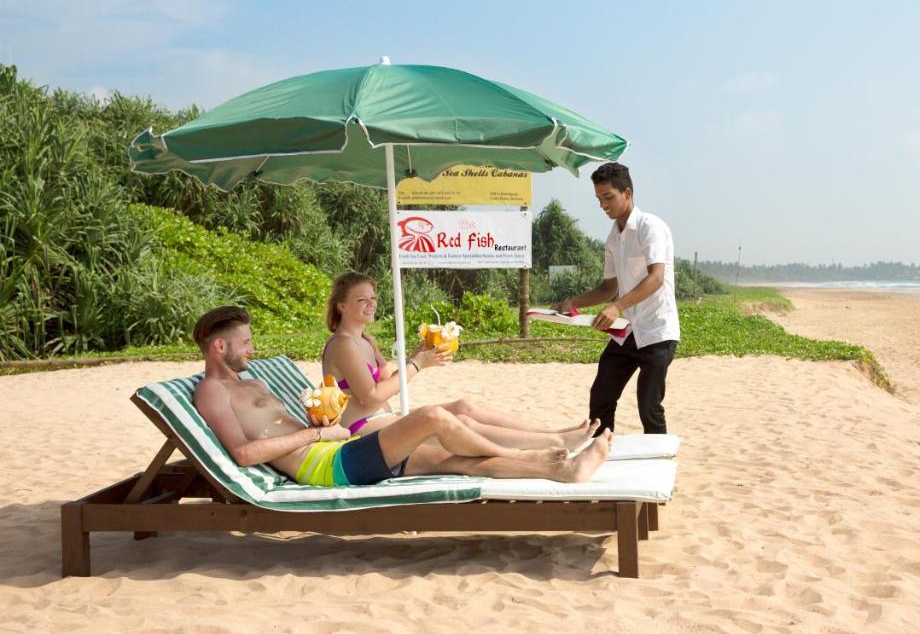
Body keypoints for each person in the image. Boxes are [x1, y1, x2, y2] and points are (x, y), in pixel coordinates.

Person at [191, 306, 611, 487]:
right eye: (244, 343)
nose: (252, 349)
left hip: (337, 450)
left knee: (455, 462)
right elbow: (245, 454)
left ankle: (563, 471)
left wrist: (320, 421)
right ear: (219, 348)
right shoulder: (212, 392)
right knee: (433, 418)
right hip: (328, 465)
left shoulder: (254, 383)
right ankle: (536, 457)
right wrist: (317, 437)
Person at [322, 272, 598, 450]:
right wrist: (419, 365)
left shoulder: (366, 340)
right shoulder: (343, 344)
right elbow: (370, 396)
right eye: (361, 300)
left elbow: (387, 378)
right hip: (364, 431)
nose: (371, 304)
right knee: (463, 423)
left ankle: (553, 431)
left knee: (463, 407)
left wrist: (419, 353)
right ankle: (555, 442)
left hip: (387, 418)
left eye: (373, 298)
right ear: (342, 306)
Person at [556, 162, 680, 434]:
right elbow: (607, 288)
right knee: (601, 395)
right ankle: (599, 450)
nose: (603, 205)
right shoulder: (613, 238)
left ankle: (657, 466)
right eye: (599, 199)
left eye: (608, 197)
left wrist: (617, 307)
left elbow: (656, 278)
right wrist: (571, 303)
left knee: (649, 405)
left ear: (627, 193)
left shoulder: (650, 227)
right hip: (629, 332)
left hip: (658, 331)